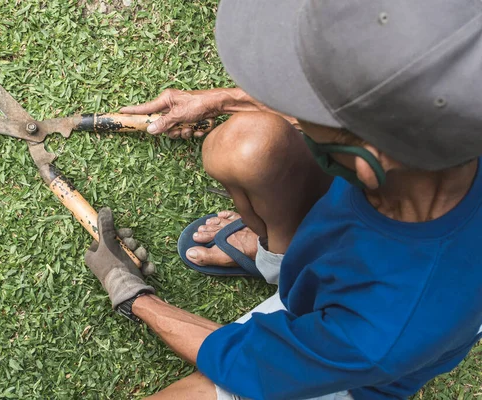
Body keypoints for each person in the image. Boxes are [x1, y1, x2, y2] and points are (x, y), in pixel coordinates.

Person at [83, 1, 482, 399]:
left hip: (352, 376)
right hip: (367, 274)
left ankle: (288, 275)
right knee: (248, 147)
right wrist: (221, 101)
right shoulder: (449, 129)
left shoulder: (389, 323)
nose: (292, 112)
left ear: (369, 160)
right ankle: (277, 262)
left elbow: (245, 360)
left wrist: (129, 292)